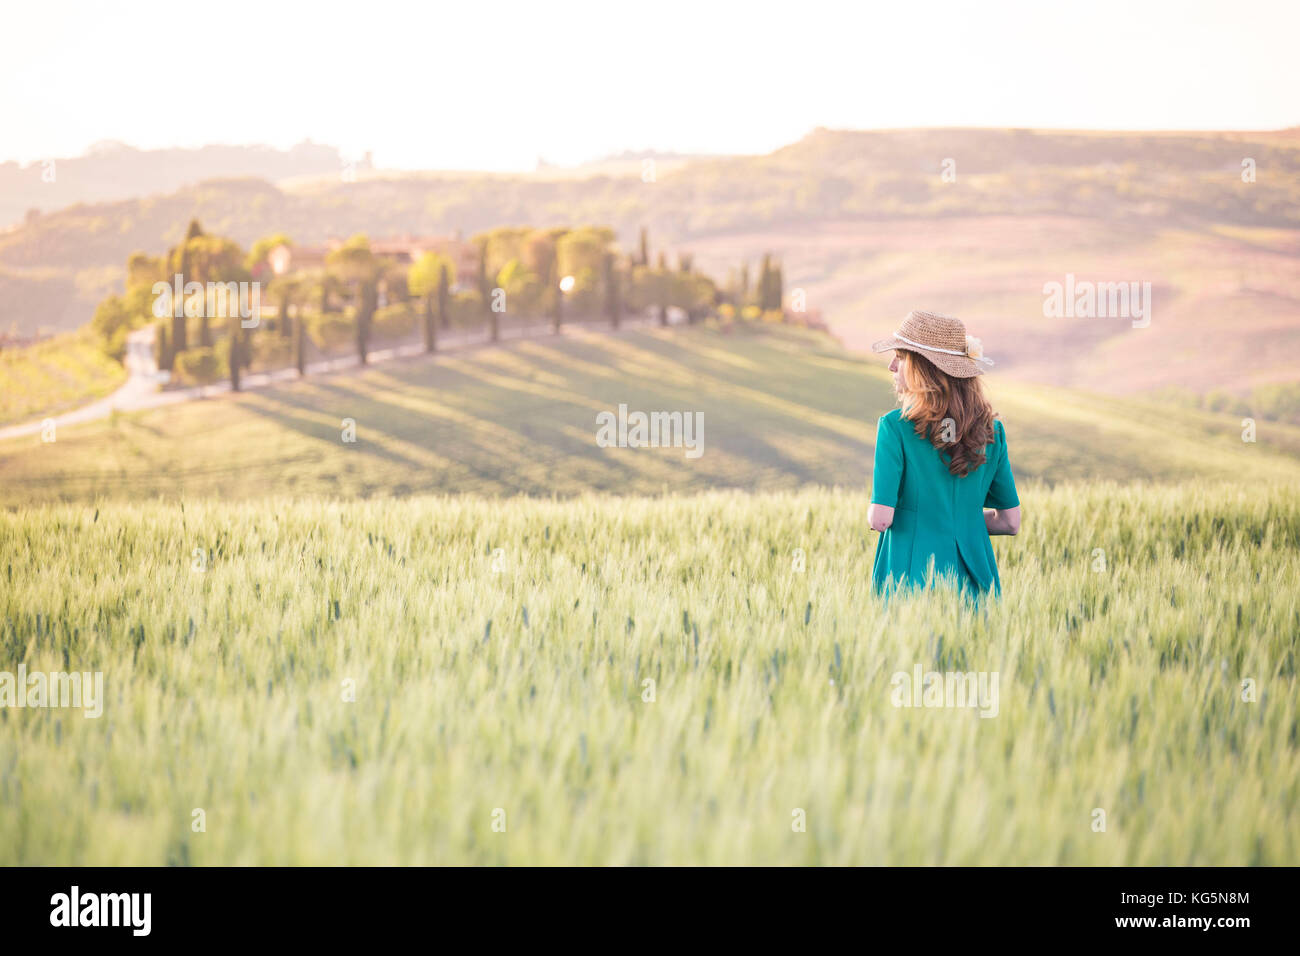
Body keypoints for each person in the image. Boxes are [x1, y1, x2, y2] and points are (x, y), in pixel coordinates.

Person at [867, 310, 1021, 603]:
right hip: (976, 580)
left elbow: (881, 519)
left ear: (923, 368)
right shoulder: (993, 431)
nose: (891, 366)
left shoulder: (894, 428)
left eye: (900, 357)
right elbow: (1010, 522)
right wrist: (961, 519)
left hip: (909, 579)